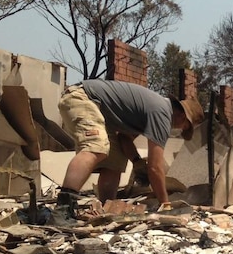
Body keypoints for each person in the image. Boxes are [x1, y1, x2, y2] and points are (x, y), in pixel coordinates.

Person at [57, 79, 204, 206]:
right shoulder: (163, 113)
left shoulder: (151, 111)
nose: (179, 128)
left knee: (115, 161)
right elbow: (155, 168)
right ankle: (63, 207)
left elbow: (124, 138)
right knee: (96, 146)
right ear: (182, 116)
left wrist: (137, 161)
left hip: (99, 110)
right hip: (82, 98)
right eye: (184, 126)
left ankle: (106, 206)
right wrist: (165, 204)